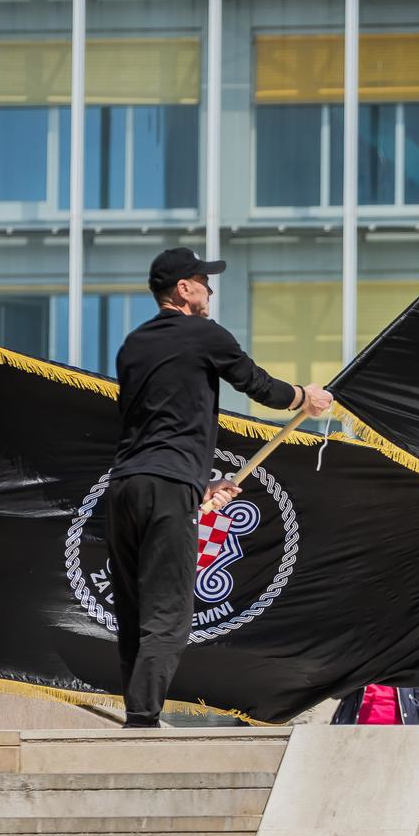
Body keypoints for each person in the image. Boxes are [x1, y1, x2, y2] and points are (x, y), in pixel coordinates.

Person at [108, 248, 332, 727]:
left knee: (134, 612)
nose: (211, 290)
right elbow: (259, 386)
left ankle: (136, 712)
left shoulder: (131, 345)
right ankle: (142, 724)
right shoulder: (202, 334)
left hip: (126, 485)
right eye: (203, 282)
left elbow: (150, 426)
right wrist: (305, 398)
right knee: (168, 614)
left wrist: (202, 486)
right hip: (168, 487)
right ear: (184, 289)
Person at [330, 682, 419, 725]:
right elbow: (335, 694)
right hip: (355, 730)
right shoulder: (358, 655)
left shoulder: (410, 655)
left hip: (400, 733)